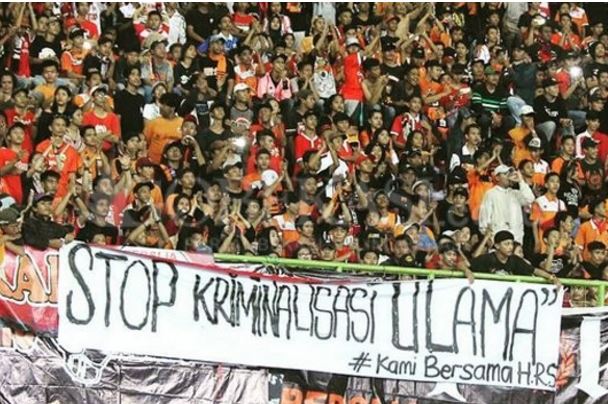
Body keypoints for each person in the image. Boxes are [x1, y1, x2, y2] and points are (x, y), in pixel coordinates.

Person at [470, 230, 560, 286]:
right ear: (497, 246)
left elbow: (534, 270)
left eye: (512, 243)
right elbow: (468, 265)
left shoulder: (515, 260)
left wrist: (551, 277)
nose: (510, 247)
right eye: (506, 244)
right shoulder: (487, 259)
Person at [479, 165, 535, 244]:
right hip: (498, 239)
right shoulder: (490, 194)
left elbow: (530, 199)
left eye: (510, 174)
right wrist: (488, 238)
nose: (509, 177)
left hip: (516, 238)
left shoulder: (515, 193)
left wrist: (521, 181)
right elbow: (484, 219)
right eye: (505, 174)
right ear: (497, 178)